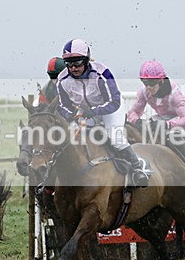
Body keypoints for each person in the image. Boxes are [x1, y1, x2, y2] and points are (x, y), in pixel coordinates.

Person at [55, 38, 149, 186]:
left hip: (111, 110)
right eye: (69, 64)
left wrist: (94, 111)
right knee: (71, 137)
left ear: (86, 60)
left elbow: (114, 101)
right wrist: (73, 115)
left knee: (115, 137)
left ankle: (138, 169)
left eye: (77, 62)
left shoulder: (102, 73)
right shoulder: (62, 80)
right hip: (85, 113)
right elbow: (62, 106)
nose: (73, 68)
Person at [126, 59, 185, 130]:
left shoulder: (176, 94)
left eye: (152, 82)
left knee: (174, 135)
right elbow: (133, 112)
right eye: (145, 83)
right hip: (163, 118)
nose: (149, 87)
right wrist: (137, 122)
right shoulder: (144, 92)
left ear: (161, 80)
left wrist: (167, 125)